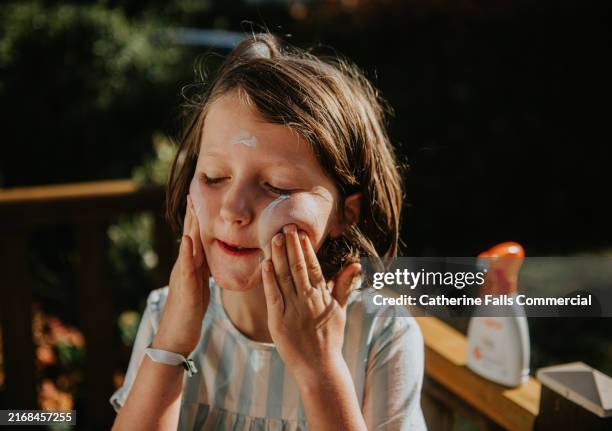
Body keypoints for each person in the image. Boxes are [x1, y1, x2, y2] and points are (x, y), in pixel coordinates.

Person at [110, 32, 427, 430]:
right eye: (213, 176)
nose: (233, 210)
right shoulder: (166, 313)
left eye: (277, 186)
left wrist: (321, 370)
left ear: (346, 213)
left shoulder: (382, 336)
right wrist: (172, 345)